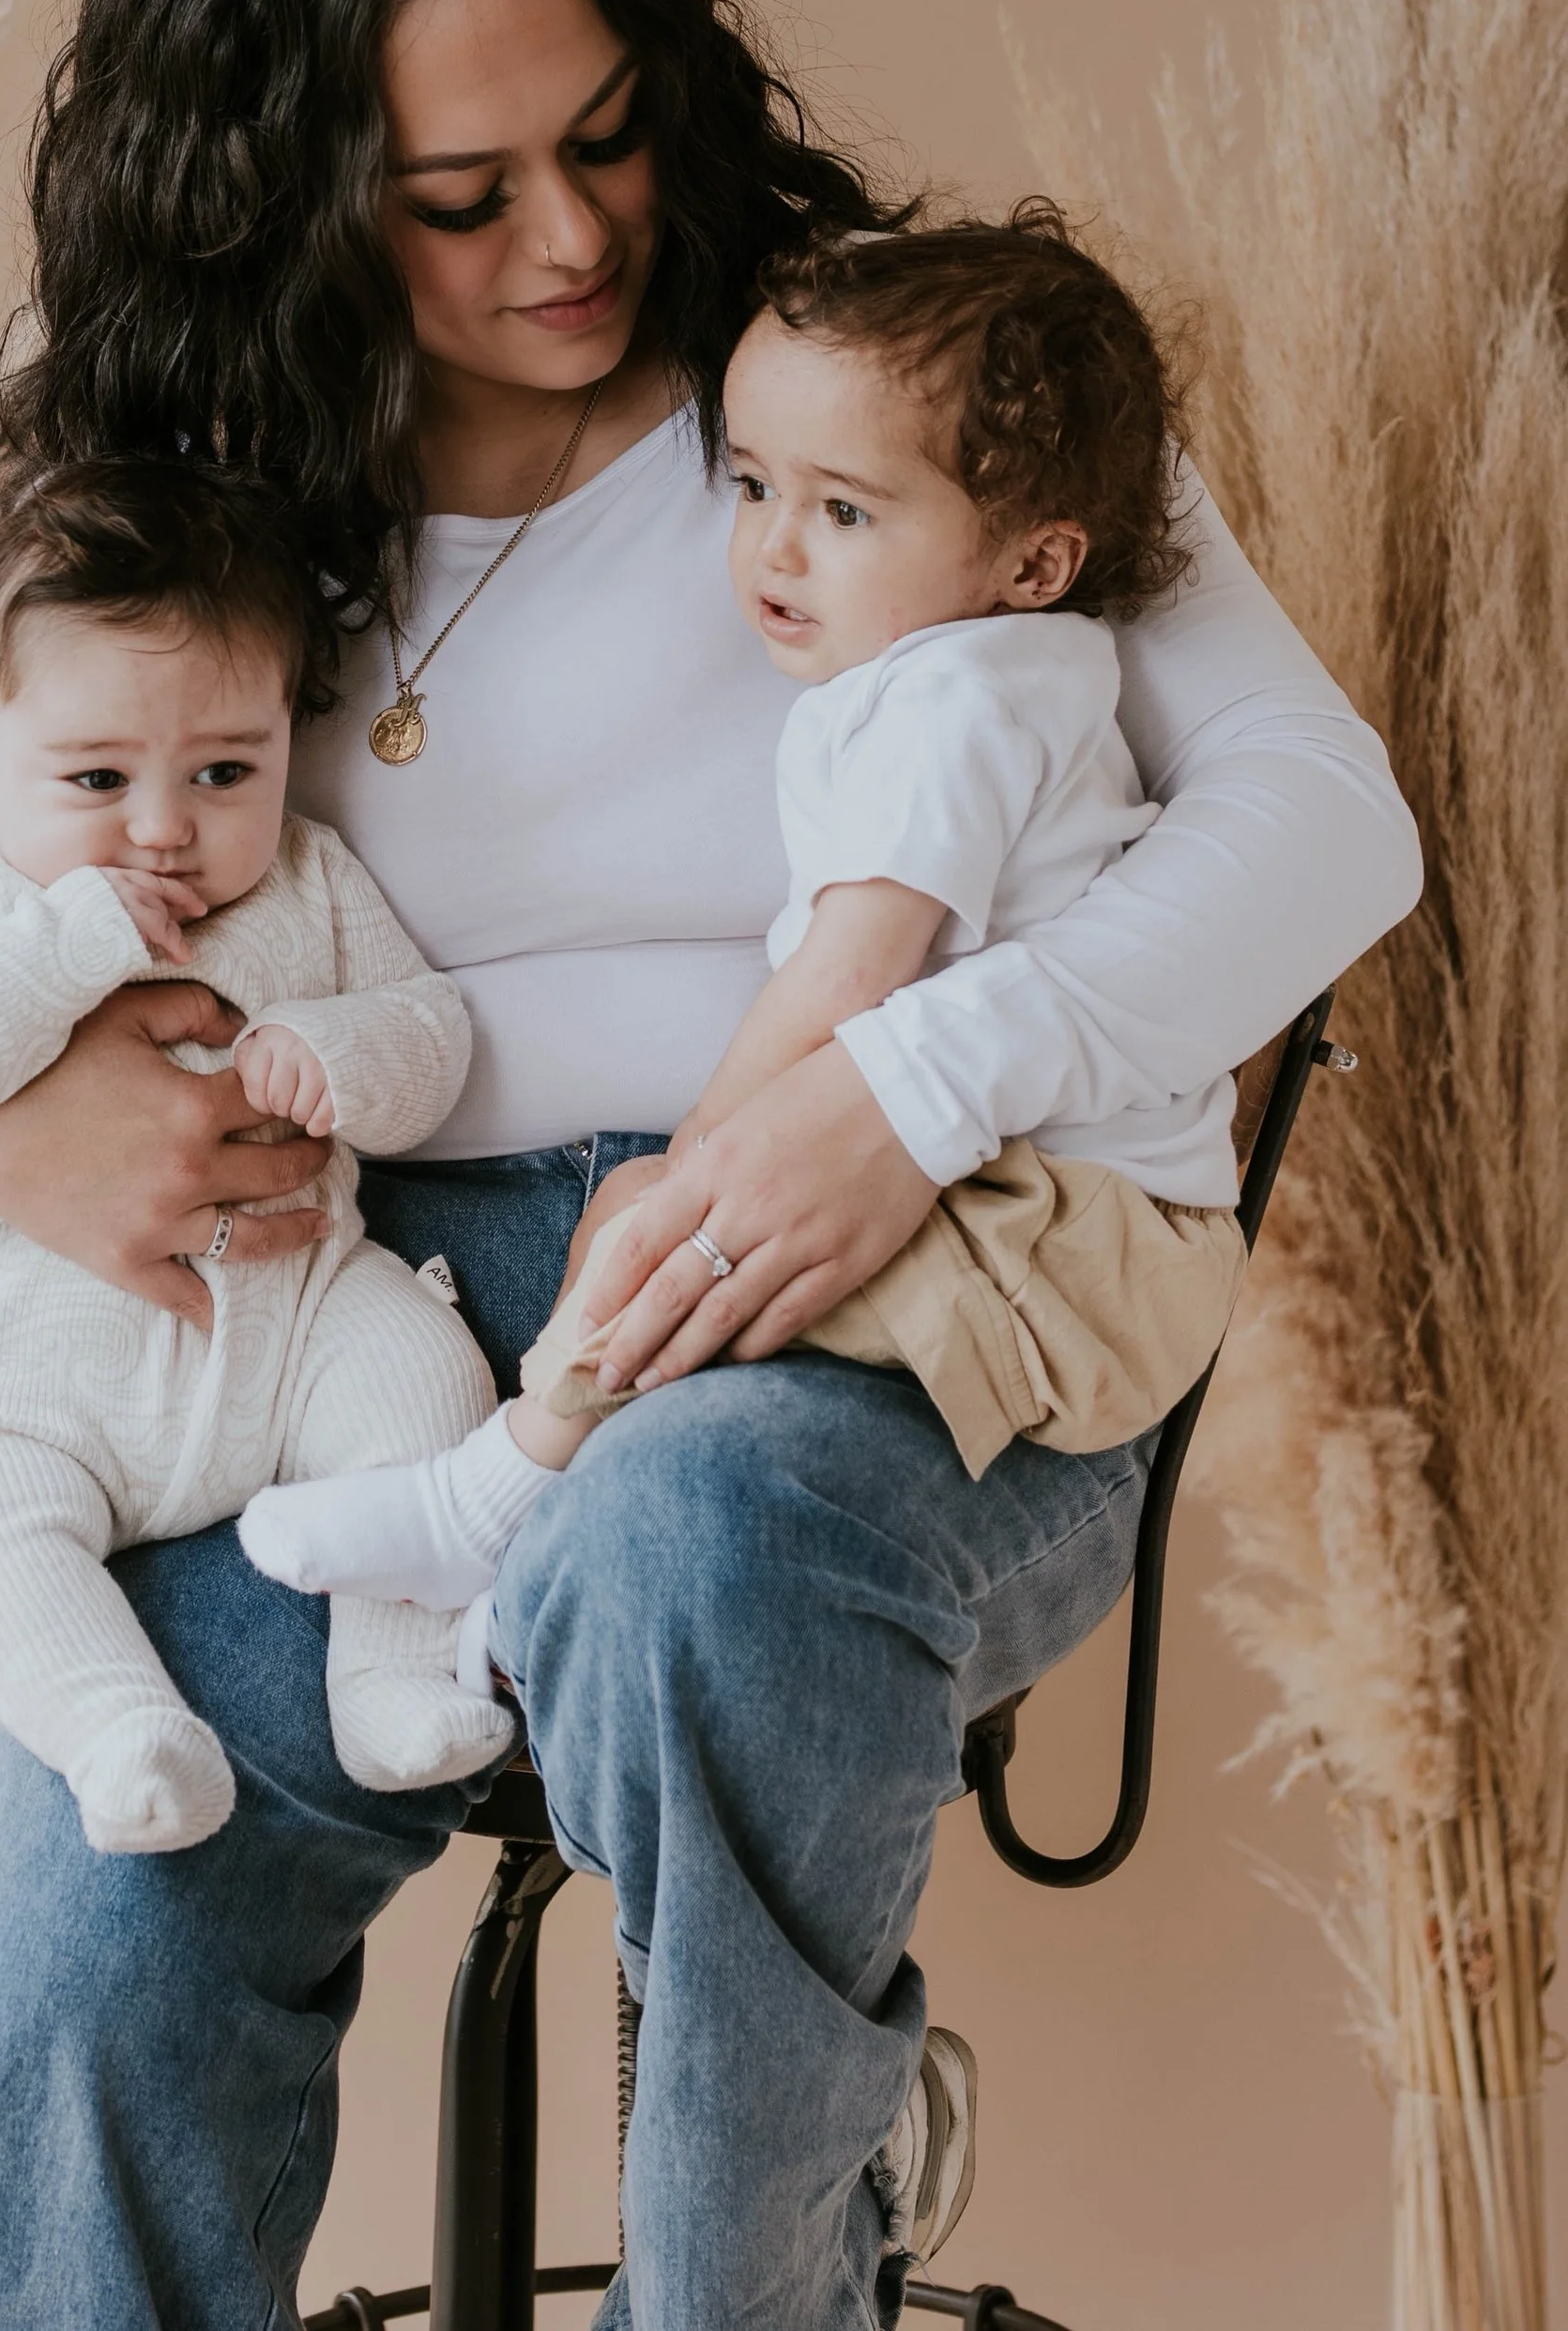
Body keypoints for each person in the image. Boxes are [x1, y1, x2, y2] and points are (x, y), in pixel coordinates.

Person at [0, 0, 1421, 2331]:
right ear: (276, 196)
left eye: (605, 136)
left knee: (690, 1538)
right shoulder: (172, 524)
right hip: (374, 1367)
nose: (575, 235)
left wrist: (897, 1089)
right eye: (458, 194)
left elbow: (1322, 827)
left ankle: (763, 2255)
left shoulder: (871, 392)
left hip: (894, 1336)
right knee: (101, 1882)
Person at [239, 205, 1251, 1648]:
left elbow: (850, 972)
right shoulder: (956, 673)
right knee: (701, 1262)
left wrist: (692, 1159)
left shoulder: (959, 704)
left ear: (1033, 563)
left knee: (684, 1256)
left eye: (843, 513)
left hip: (1056, 1223)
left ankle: (487, 1516)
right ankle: (510, 1560)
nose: (773, 547)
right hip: (1011, 1177)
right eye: (755, 483)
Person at [0, 452, 510, 1860]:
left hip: (294, 1331)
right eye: (97, 777)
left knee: (424, 1371)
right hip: (33, 1383)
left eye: (223, 771)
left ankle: (390, 1676)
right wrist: (62, 940)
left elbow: (430, 1032)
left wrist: (340, 1050)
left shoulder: (309, 881)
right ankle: (117, 1731)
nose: (161, 827)